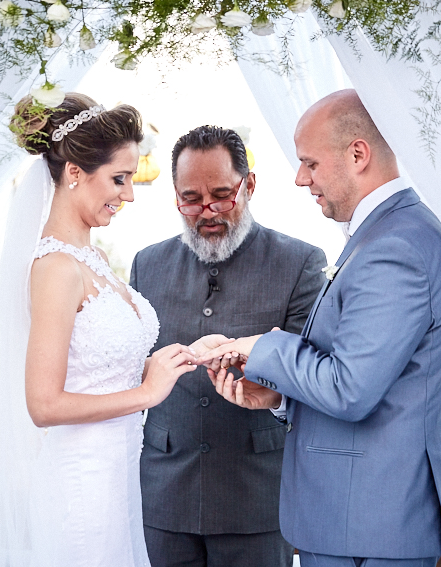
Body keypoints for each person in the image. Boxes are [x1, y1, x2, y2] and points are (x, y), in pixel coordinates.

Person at [0, 93, 227, 567]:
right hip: (80, 486)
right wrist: (147, 394)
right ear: (74, 172)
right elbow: (44, 405)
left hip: (115, 482)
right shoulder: (56, 267)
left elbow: (102, 368)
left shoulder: (93, 260)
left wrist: (181, 357)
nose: (129, 194)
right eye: (119, 178)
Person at [200, 90, 441, 567]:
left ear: (358, 154)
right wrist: (279, 396)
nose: (301, 178)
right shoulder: (386, 234)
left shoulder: (397, 247)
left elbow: (351, 389)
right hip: (357, 519)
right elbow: (375, 378)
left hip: (371, 524)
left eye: (310, 163)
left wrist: (263, 348)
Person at [130, 125, 327, 567]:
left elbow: (311, 372)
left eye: (222, 194)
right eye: (191, 199)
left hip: (257, 497)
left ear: (250, 184)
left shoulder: (301, 262)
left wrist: (260, 373)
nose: (207, 211)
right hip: (163, 497)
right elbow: (131, 366)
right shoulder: (147, 264)